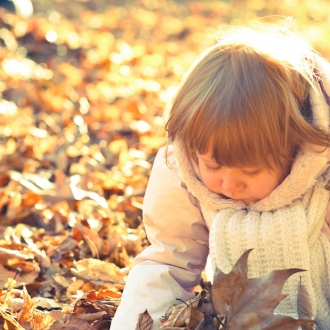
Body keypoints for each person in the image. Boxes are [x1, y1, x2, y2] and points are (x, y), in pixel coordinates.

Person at [111, 23, 330, 329]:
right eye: (213, 166)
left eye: (251, 171)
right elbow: (168, 261)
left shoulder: (322, 176)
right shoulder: (184, 172)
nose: (228, 185)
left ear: (295, 151)